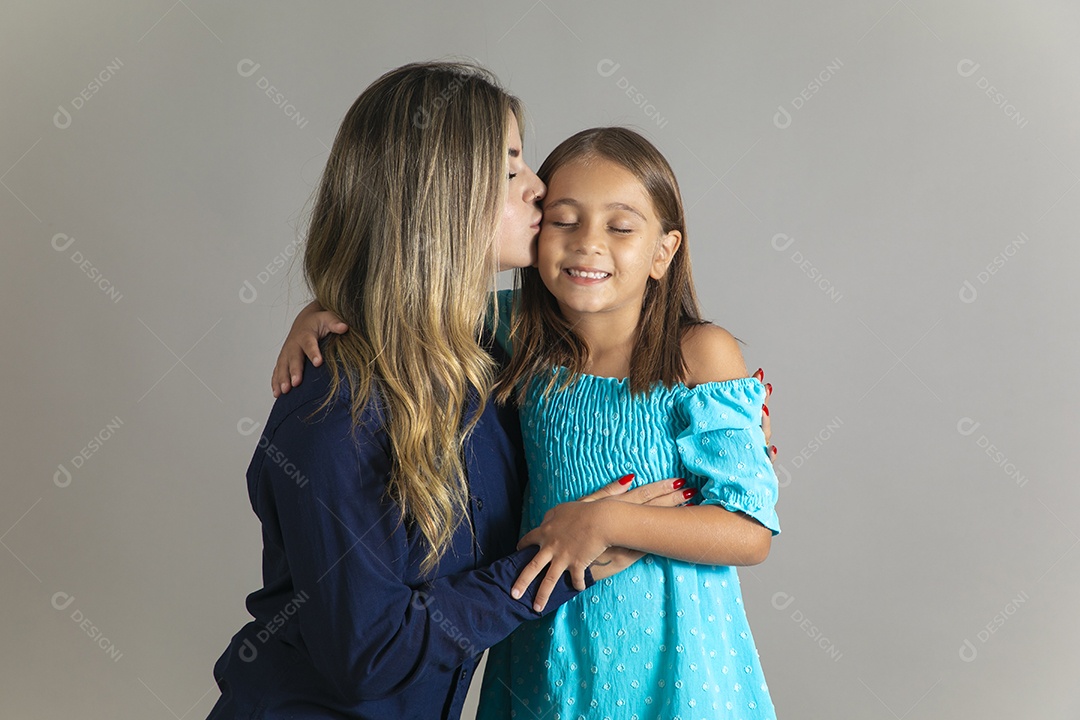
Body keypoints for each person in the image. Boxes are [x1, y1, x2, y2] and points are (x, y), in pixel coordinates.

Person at [206, 62, 693, 720]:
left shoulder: (489, 364)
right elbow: (368, 657)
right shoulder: (329, 415)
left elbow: (611, 363)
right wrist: (550, 569)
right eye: (511, 167)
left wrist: (719, 422)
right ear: (440, 195)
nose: (539, 189)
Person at [278, 127, 781, 718]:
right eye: (564, 220)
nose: (588, 244)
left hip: (675, 658)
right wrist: (319, 313)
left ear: (663, 252)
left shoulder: (700, 354)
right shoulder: (515, 334)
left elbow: (749, 530)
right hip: (549, 643)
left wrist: (607, 522)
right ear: (539, 238)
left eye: (620, 228)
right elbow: (406, 299)